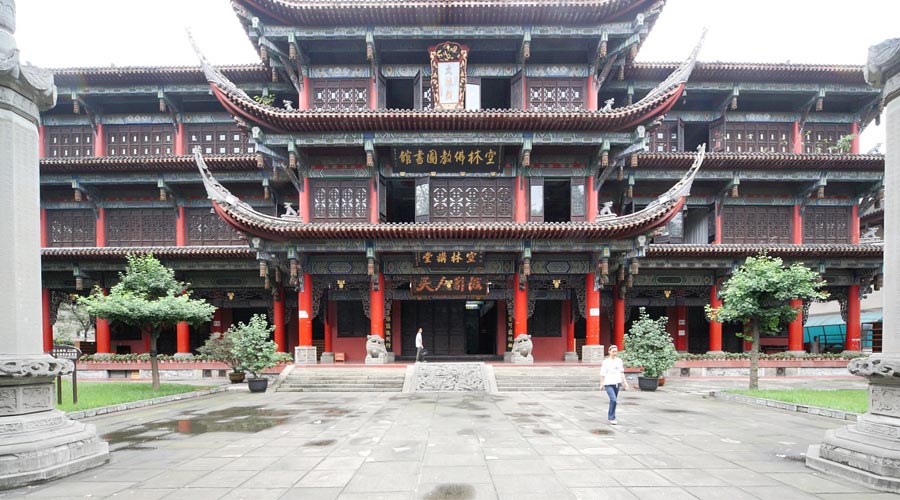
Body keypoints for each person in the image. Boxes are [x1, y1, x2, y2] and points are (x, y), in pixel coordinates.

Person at [600, 345, 628, 425]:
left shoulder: (619, 360)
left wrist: (624, 382)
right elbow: (603, 373)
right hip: (608, 383)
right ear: (609, 352)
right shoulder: (606, 362)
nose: (615, 353)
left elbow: (621, 372)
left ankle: (612, 415)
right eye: (613, 351)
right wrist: (601, 383)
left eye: (616, 351)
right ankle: (611, 417)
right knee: (613, 399)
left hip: (616, 383)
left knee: (614, 401)